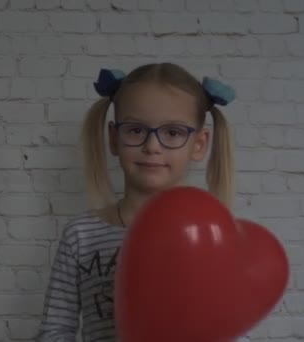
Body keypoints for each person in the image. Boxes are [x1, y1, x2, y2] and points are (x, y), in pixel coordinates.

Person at [35, 62, 249, 342]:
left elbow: (230, 329)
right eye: (136, 130)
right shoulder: (82, 235)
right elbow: (55, 330)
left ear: (199, 144)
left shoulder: (213, 236)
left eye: (172, 132)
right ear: (114, 138)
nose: (152, 146)